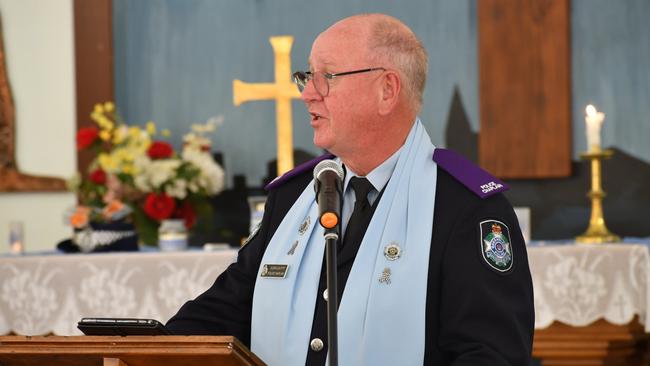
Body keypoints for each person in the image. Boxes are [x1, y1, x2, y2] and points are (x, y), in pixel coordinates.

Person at [166, 13, 534, 365]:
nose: (308, 93)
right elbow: (226, 309)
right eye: (308, 75)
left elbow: (491, 354)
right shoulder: (294, 196)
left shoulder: (466, 207)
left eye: (327, 76)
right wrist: (147, 350)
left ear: (387, 90)